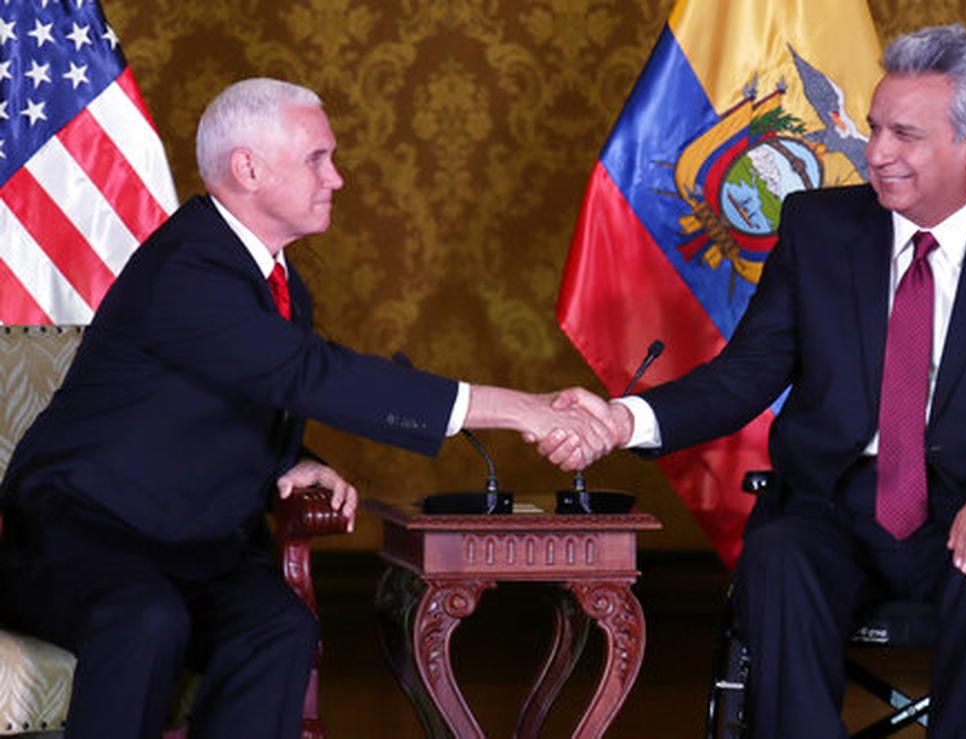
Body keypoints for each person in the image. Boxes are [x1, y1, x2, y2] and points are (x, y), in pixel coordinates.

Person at [546, 24, 966, 738]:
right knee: (778, 555)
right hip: (831, 503)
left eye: (905, 136)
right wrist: (621, 419)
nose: (877, 153)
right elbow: (744, 376)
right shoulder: (818, 227)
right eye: (875, 128)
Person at [0, 78, 610, 739]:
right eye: (318, 158)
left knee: (278, 626)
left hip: (184, 544)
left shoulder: (275, 277)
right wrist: (522, 409)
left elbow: (227, 393)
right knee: (147, 617)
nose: (337, 178)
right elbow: (310, 372)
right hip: (74, 538)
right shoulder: (189, 267)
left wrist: (296, 458)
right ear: (249, 168)